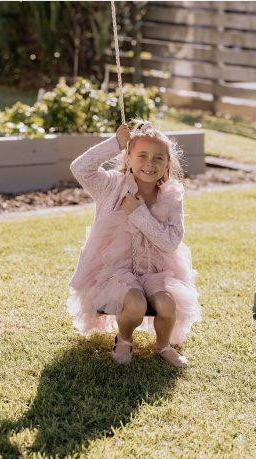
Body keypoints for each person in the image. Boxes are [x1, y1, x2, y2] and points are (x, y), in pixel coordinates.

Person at [67, 119, 201, 367]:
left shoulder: (172, 196)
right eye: (142, 155)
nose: (150, 163)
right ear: (128, 158)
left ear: (168, 164)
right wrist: (114, 143)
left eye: (158, 158)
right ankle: (124, 339)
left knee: (167, 305)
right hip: (115, 270)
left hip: (156, 270)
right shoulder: (110, 186)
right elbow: (80, 168)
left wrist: (139, 213)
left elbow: (170, 242)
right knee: (136, 305)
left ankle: (163, 345)